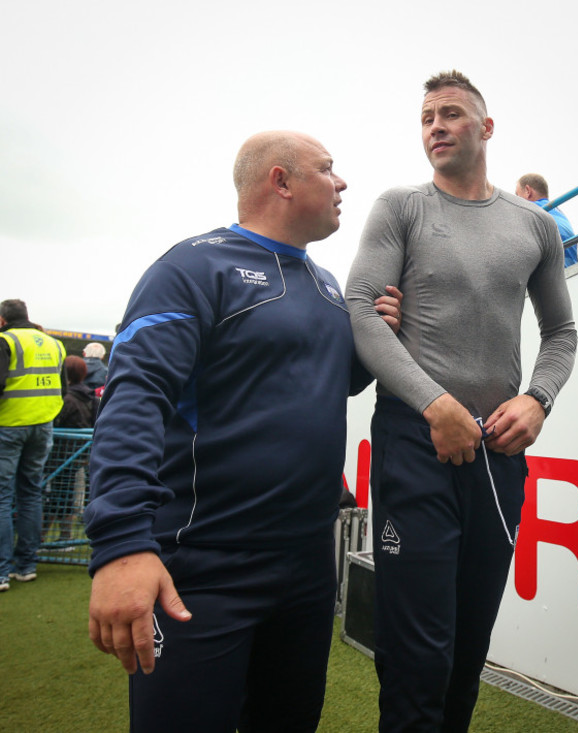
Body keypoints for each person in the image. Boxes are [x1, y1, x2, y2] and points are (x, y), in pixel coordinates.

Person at [84, 131, 402, 732]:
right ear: (280, 181)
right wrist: (121, 544)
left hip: (307, 568)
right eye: (327, 170)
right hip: (203, 567)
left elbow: (326, 384)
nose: (342, 183)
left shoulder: (329, 285)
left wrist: (374, 342)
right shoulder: (192, 267)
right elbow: (135, 398)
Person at [345, 70, 577, 732]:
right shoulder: (400, 206)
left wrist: (538, 399)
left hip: (498, 454)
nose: (436, 126)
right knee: (417, 657)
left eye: (450, 113)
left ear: (486, 127)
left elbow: (561, 332)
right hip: (414, 444)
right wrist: (433, 404)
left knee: (467, 651)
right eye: (426, 118)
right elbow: (362, 310)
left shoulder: (533, 223)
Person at [0, 299, 66, 591]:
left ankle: (1, 571)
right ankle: (25, 565)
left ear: (3, 319)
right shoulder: (54, 344)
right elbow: (61, 387)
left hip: (9, 425)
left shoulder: (6, 341)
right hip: (44, 425)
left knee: (2, 498)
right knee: (31, 494)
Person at [43, 356, 99, 544]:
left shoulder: (66, 399)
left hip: (62, 455)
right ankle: (62, 537)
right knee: (66, 496)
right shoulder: (90, 396)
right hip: (79, 454)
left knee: (57, 496)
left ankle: (54, 538)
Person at [516, 173, 578, 267]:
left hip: (553, 273)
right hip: (571, 268)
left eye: (517, 195)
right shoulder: (557, 211)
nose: (516, 200)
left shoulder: (531, 209)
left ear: (528, 191)